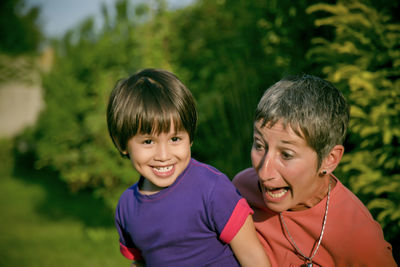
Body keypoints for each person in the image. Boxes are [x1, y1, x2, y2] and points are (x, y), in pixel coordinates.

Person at [107, 68, 270, 267]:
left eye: (175, 139)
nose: (164, 156)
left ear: (190, 138)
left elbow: (253, 258)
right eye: (148, 142)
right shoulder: (127, 207)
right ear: (122, 143)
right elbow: (141, 262)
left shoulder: (213, 189)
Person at [233, 74, 397, 267]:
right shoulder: (241, 190)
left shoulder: (359, 237)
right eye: (259, 145)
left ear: (329, 159)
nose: (263, 172)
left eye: (286, 155)